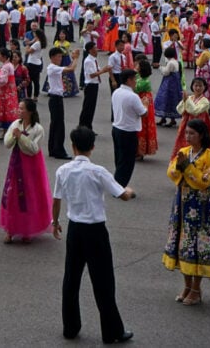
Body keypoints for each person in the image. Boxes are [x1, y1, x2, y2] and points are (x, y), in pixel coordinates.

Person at [52, 126, 135, 344]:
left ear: (73, 146)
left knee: (71, 278)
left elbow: (57, 198)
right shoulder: (98, 171)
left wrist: (55, 222)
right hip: (95, 230)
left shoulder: (63, 170)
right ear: (92, 148)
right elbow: (122, 194)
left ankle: (70, 326)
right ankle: (112, 331)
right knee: (103, 281)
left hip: (75, 227)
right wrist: (131, 191)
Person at [163, 118, 210, 305]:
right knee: (183, 245)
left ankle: (196, 288)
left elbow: (203, 181)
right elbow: (171, 173)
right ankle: (186, 285)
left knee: (198, 246)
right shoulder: (183, 152)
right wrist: (181, 167)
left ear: (201, 135)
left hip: (202, 211)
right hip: (183, 206)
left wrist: (187, 168)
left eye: (192, 133)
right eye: (186, 133)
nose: (188, 136)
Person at [0, 98, 53, 244]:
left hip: (31, 165)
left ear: (29, 111)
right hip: (16, 164)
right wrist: (14, 136)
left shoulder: (38, 129)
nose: (19, 110)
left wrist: (21, 137)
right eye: (19, 108)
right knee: (12, 194)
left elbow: (34, 149)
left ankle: (27, 230)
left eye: (22, 108)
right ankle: (10, 231)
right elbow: (7, 143)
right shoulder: (15, 124)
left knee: (30, 195)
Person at [111, 69, 147, 187]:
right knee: (127, 161)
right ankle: (119, 186)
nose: (135, 82)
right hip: (128, 131)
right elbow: (143, 113)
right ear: (128, 80)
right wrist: (145, 104)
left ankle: (117, 182)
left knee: (119, 158)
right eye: (134, 79)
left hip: (117, 128)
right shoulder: (133, 96)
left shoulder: (116, 92)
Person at [45, 46, 78, 159]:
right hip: (55, 98)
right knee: (59, 125)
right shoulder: (52, 67)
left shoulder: (55, 67)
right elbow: (71, 69)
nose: (60, 58)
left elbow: (67, 67)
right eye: (59, 56)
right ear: (53, 57)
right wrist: (76, 58)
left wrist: (72, 60)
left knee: (55, 124)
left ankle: (53, 149)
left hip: (56, 98)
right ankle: (58, 150)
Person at [173, 78, 210, 159]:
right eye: (196, 85)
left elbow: (195, 111)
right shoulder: (190, 98)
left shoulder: (205, 101)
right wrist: (185, 101)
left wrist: (186, 101)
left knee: (198, 144)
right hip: (186, 125)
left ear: (204, 87)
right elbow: (179, 109)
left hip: (199, 127)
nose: (198, 88)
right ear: (192, 87)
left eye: (200, 86)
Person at [79, 42, 107, 128]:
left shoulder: (94, 59)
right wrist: (103, 71)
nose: (96, 49)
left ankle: (88, 125)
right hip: (90, 85)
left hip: (94, 85)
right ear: (90, 50)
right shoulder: (88, 61)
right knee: (88, 107)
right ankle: (83, 125)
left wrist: (103, 69)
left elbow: (97, 70)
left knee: (91, 107)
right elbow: (92, 74)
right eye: (95, 48)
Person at [155, 47, 182, 127]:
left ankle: (166, 118)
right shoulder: (175, 62)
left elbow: (166, 72)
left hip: (169, 83)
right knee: (172, 100)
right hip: (175, 83)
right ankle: (168, 119)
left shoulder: (170, 63)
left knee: (166, 99)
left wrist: (159, 67)